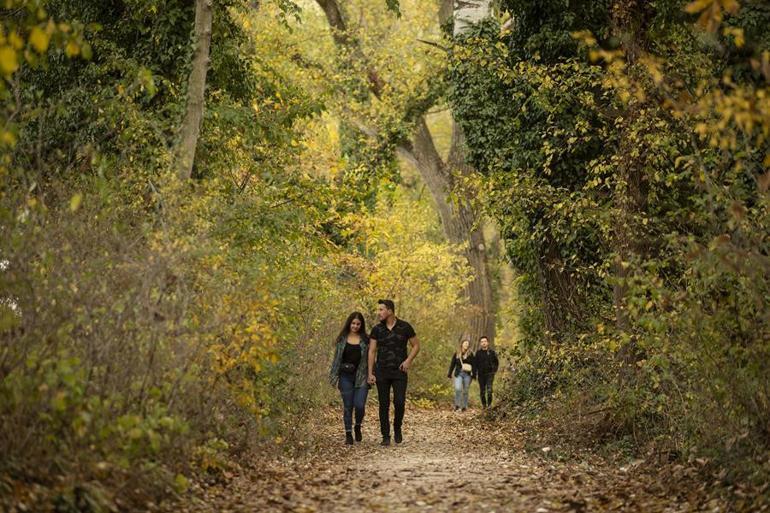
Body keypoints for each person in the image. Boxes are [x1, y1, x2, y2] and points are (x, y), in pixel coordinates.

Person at [367, 299, 419, 446]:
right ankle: (385, 435)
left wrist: (408, 361)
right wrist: (370, 373)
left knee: (400, 402)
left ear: (390, 310)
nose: (379, 313)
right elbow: (371, 351)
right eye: (379, 310)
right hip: (381, 371)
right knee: (383, 404)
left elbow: (416, 346)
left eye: (381, 310)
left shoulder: (405, 327)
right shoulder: (377, 329)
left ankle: (397, 427)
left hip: (399, 372)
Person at [329, 312, 369, 445]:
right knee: (348, 406)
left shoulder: (366, 340)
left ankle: (357, 425)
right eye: (353, 323)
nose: (355, 326)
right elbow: (336, 359)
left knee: (359, 405)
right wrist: (333, 376)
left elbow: (372, 358)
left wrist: (372, 374)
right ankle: (348, 434)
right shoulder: (342, 339)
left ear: (361, 325)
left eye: (358, 324)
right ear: (349, 323)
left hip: (361, 376)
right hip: (345, 376)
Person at [447, 338, 475, 412]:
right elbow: (452, 364)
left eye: (467, 344)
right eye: (465, 343)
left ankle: (464, 406)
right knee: (458, 389)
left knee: (465, 390)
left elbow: (474, 365)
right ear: (462, 344)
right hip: (458, 373)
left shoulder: (471, 354)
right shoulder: (457, 353)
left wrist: (474, 375)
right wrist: (449, 373)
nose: (466, 345)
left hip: (467, 375)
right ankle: (457, 405)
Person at [473, 335, 499, 408]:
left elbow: (496, 362)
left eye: (485, 341)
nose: (483, 343)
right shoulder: (478, 353)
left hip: (490, 374)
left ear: (488, 343)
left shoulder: (492, 352)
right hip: (481, 375)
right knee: (482, 391)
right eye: (482, 342)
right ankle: (484, 405)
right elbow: (475, 364)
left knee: (489, 389)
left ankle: (489, 405)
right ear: (480, 344)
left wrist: (494, 370)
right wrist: (474, 374)